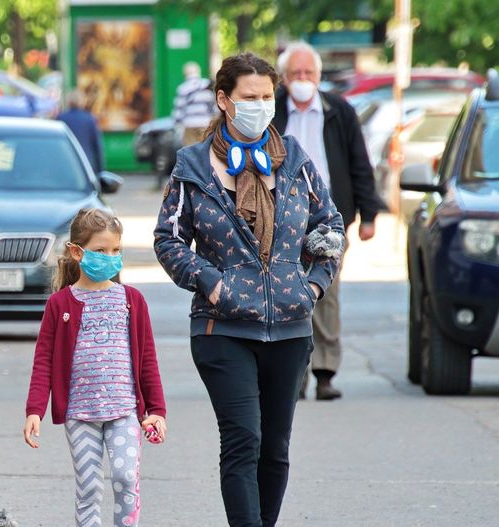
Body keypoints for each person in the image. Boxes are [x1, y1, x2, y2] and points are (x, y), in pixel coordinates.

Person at [154, 52, 345, 527]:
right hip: (222, 329)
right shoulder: (193, 166)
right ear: (224, 100)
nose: (260, 106)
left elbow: (330, 227)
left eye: (266, 97)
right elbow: (168, 239)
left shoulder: (296, 162)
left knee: (275, 449)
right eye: (249, 97)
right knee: (244, 440)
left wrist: (314, 288)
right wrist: (210, 282)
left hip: (291, 326)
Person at [24, 209, 167, 527]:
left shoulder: (132, 300)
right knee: (89, 488)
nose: (111, 257)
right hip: (80, 413)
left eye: (116, 250)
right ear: (78, 252)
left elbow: (147, 360)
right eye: (101, 250)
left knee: (125, 477)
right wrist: (35, 409)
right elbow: (44, 360)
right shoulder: (60, 304)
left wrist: (156, 409)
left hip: (124, 411)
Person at [273, 41, 383, 401]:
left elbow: (359, 164)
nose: (302, 80)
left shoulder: (339, 110)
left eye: (308, 73)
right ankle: (294, 375)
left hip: (329, 217)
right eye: (295, 74)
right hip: (281, 218)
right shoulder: (272, 109)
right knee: (287, 292)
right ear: (284, 78)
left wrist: (369, 214)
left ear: (319, 77)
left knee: (326, 292)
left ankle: (324, 371)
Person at [57, 90, 105, 173]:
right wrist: (100, 170)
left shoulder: (61, 118)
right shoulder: (90, 119)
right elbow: (97, 146)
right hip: (86, 163)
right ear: (82, 102)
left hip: (66, 163)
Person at [172, 61, 217, 146]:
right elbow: (214, 107)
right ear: (198, 72)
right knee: (205, 150)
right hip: (205, 124)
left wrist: (176, 124)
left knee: (190, 152)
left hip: (190, 125)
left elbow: (179, 110)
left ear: (185, 74)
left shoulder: (183, 88)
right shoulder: (207, 85)